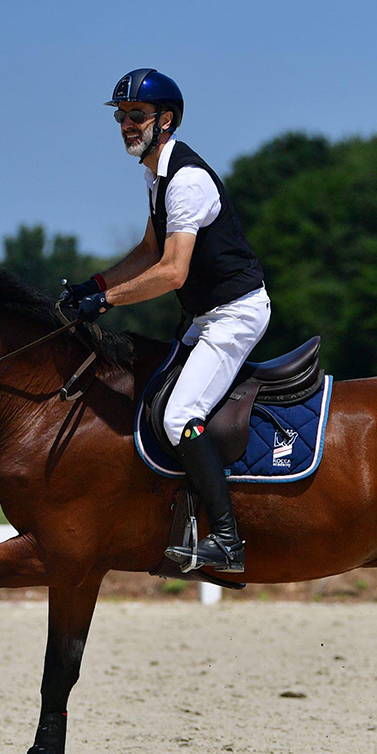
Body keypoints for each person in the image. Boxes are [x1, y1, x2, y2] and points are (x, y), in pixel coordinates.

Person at [62, 68, 269, 574]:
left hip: (236, 313)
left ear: (166, 120)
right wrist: (97, 284)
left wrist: (107, 305)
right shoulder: (157, 175)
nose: (126, 125)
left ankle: (226, 540)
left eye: (137, 116)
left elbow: (172, 272)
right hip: (207, 315)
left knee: (179, 417)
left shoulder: (188, 181)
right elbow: (149, 250)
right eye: (121, 117)